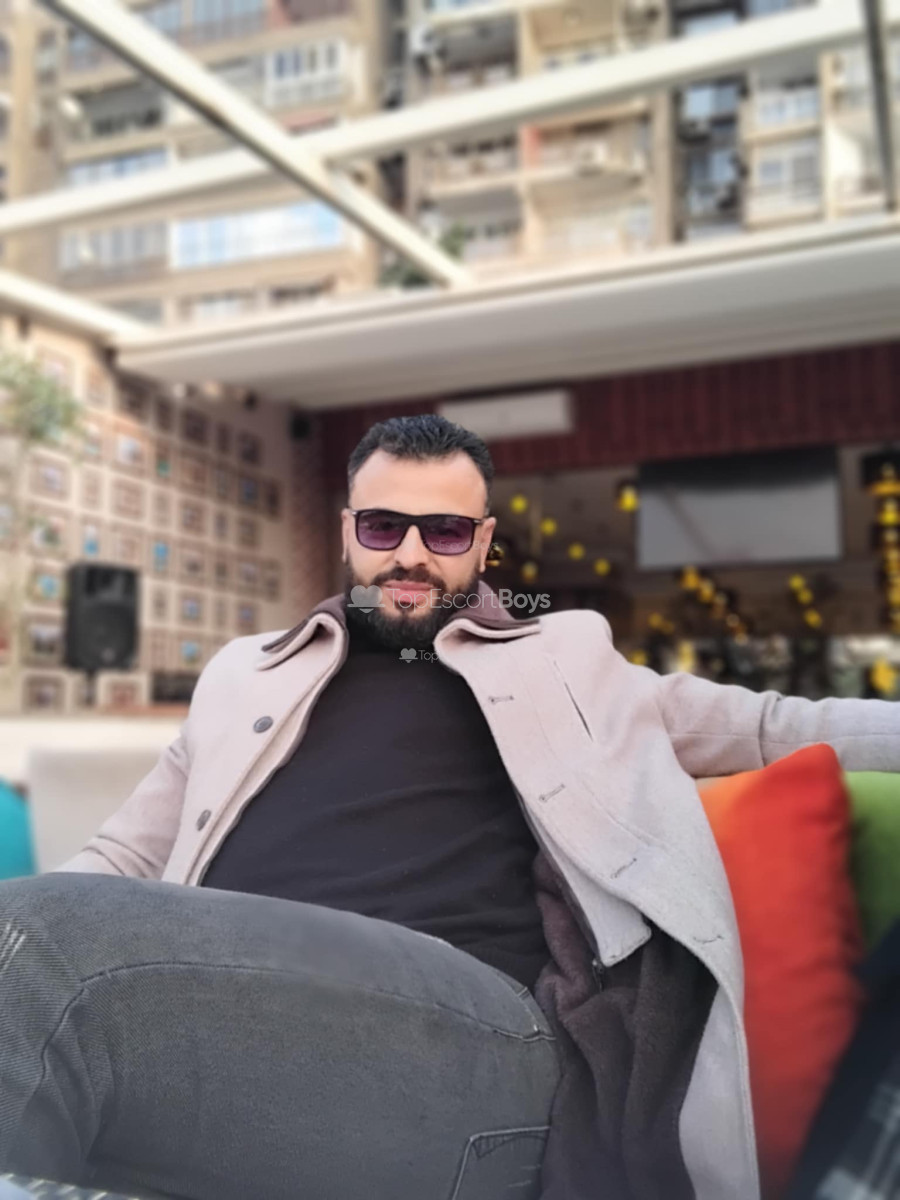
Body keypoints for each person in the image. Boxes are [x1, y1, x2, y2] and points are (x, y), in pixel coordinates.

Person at [2, 413, 899, 1200]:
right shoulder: (246, 674)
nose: (411, 554)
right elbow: (122, 857)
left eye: (444, 530)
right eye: (384, 525)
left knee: (35, 945)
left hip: (474, 1048)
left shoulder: (566, 659)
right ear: (347, 531)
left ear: (484, 541)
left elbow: (778, 726)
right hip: (220, 1024)